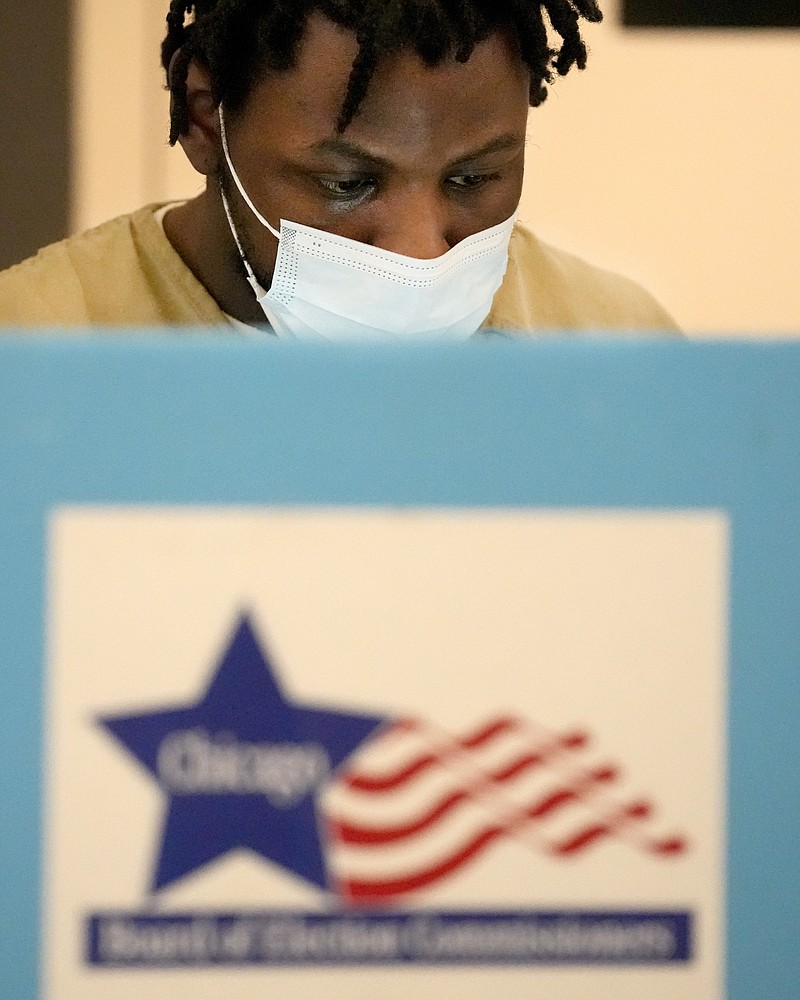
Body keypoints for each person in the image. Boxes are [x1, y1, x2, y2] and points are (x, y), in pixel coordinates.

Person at [0, 0, 677, 336]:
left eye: (472, 180)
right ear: (206, 117)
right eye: (347, 184)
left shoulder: (614, 347)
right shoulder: (35, 344)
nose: (419, 256)